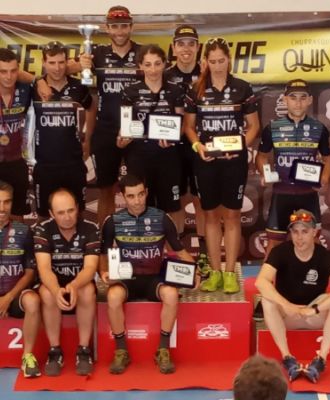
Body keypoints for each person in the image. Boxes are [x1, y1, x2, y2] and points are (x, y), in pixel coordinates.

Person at [99, 174, 197, 375]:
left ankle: (163, 349)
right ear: (123, 197)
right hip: (126, 279)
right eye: (131, 196)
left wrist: (196, 273)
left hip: (154, 278)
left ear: (146, 193)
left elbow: (180, 251)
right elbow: (103, 253)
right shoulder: (113, 221)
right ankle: (121, 351)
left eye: (140, 194)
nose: (137, 201)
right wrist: (103, 272)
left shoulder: (162, 218)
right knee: (113, 297)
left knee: (171, 295)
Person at [184, 37, 260, 294]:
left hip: (233, 162)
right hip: (206, 161)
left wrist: (238, 147)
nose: (217, 66)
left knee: (232, 215)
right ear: (205, 61)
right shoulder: (196, 89)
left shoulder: (242, 88)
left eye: (221, 61)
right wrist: (198, 146)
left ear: (229, 60)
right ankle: (215, 272)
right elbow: (189, 128)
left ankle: (229, 273)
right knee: (210, 216)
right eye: (213, 61)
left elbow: (254, 127)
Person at [253, 79, 330, 320]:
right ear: (285, 100)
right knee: (273, 246)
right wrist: (264, 172)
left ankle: (312, 294)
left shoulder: (319, 128)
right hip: (282, 194)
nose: (298, 102)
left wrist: (325, 177)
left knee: (311, 243)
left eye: (302, 97)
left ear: (310, 100)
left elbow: (328, 158)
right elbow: (261, 156)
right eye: (293, 97)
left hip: (308, 195)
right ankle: (266, 298)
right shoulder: (272, 127)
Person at [255, 209, 330, 383]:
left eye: (305, 232)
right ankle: (287, 358)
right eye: (295, 232)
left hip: (314, 315)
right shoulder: (280, 252)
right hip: (288, 315)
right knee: (267, 300)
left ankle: (320, 360)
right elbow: (260, 282)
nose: (299, 238)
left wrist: (314, 309)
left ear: (314, 232)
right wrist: (287, 305)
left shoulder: (325, 255)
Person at [69, 5, 141, 225]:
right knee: (106, 190)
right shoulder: (97, 54)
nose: (120, 31)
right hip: (106, 130)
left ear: (131, 27)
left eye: (124, 26)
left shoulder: (142, 53)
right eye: (115, 26)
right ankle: (104, 240)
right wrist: (79, 65)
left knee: (138, 190)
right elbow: (61, 69)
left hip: (136, 129)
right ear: (107, 28)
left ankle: (139, 237)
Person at [34, 188, 100, 376]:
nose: (67, 217)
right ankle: (55, 351)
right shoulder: (42, 229)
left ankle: (84, 350)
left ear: (77, 208)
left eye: (71, 210)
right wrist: (57, 290)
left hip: (80, 281)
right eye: (61, 212)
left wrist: (74, 285)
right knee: (47, 293)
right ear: (51, 213)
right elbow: (44, 268)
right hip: (53, 282)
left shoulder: (91, 228)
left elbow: (90, 268)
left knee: (87, 291)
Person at [117, 44, 185, 227]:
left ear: (164, 64)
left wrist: (173, 138)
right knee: (140, 205)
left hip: (167, 156)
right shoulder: (130, 92)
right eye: (147, 64)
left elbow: (182, 125)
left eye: (157, 63)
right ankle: (143, 241)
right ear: (140, 65)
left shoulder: (175, 91)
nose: (153, 69)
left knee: (171, 206)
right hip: (139, 157)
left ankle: (173, 243)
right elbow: (124, 127)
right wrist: (121, 141)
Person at [31, 41, 96, 219]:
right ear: (44, 63)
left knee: (76, 213)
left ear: (67, 62)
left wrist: (87, 139)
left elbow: (91, 108)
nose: (57, 68)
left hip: (73, 163)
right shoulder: (35, 89)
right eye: (52, 63)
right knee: (44, 215)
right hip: (45, 164)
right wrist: (38, 80)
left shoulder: (78, 86)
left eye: (61, 62)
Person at [164, 25, 209, 271]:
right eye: (181, 43)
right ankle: (179, 255)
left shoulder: (207, 74)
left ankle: (203, 255)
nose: (186, 49)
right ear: (173, 47)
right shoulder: (165, 74)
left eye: (191, 43)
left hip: (201, 143)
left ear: (197, 47)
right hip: (172, 146)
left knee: (201, 199)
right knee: (177, 200)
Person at [0, 180, 41, 378]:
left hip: (15, 295)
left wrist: (8, 298)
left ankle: (28, 357)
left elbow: (30, 272)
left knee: (32, 301)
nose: (2, 208)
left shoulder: (24, 231)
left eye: (7, 202)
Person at [0, 48, 32, 218]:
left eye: (13, 71)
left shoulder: (25, 90)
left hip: (16, 162)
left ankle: (18, 237)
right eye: (3, 71)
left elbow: (46, 79)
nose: (9, 76)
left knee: (18, 214)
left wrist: (38, 81)